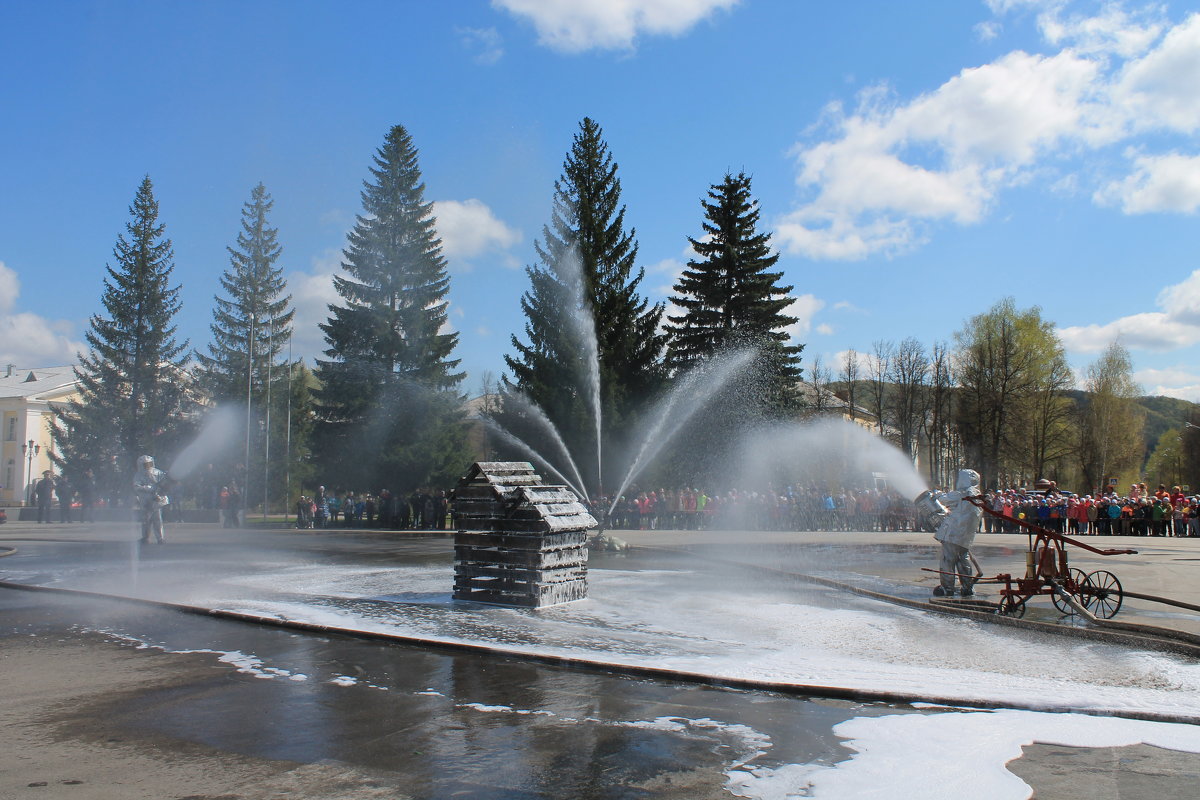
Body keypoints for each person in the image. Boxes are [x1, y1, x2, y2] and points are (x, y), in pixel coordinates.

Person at [932, 469, 984, 597]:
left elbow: (942, 499)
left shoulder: (962, 494)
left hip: (953, 533)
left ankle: (947, 587)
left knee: (947, 560)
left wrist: (935, 493)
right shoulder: (977, 495)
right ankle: (967, 587)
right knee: (963, 561)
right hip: (966, 537)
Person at [133, 455, 168, 544]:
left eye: (149, 464)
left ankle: (160, 538)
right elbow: (136, 487)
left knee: (157, 520)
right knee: (145, 520)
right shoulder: (138, 475)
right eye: (146, 465)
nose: (148, 467)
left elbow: (165, 485)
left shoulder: (158, 473)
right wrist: (149, 488)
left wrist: (160, 494)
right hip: (145, 501)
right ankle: (145, 537)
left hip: (156, 501)